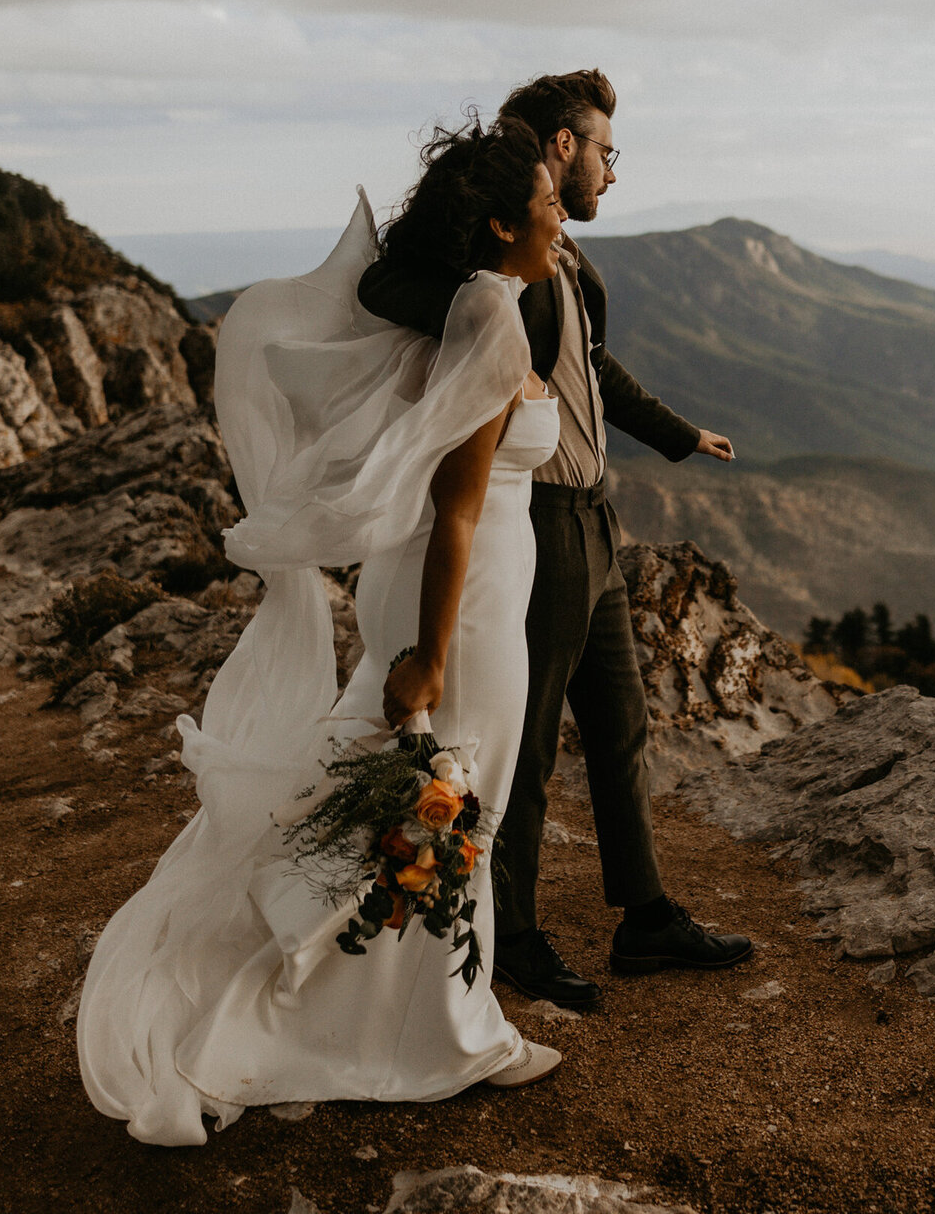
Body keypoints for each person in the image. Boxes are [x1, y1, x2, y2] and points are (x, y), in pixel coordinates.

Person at [78, 118, 573, 1145]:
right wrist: (431, 654)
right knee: (447, 807)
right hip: (463, 604)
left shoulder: (467, 302)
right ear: (497, 224)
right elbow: (460, 509)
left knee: (419, 809)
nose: (562, 220)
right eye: (547, 206)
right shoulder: (490, 316)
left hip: (456, 594)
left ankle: (427, 1013)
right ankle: (438, 1029)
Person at [356, 69, 749, 1014]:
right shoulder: (498, 269)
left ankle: (645, 916)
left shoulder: (564, 260)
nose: (613, 173)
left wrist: (677, 433)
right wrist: (482, 311)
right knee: (525, 743)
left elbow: (591, 365)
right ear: (562, 149)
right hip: (539, 527)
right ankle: (515, 936)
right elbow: (386, 283)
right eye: (606, 152)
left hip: (595, 516)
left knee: (620, 727)